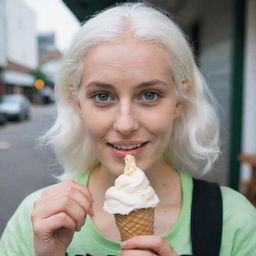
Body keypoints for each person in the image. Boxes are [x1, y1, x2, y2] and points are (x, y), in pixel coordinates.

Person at [0, 2, 255, 256]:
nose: (125, 124)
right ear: (77, 103)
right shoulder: (36, 220)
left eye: (150, 94)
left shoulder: (235, 222)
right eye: (102, 96)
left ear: (180, 99)